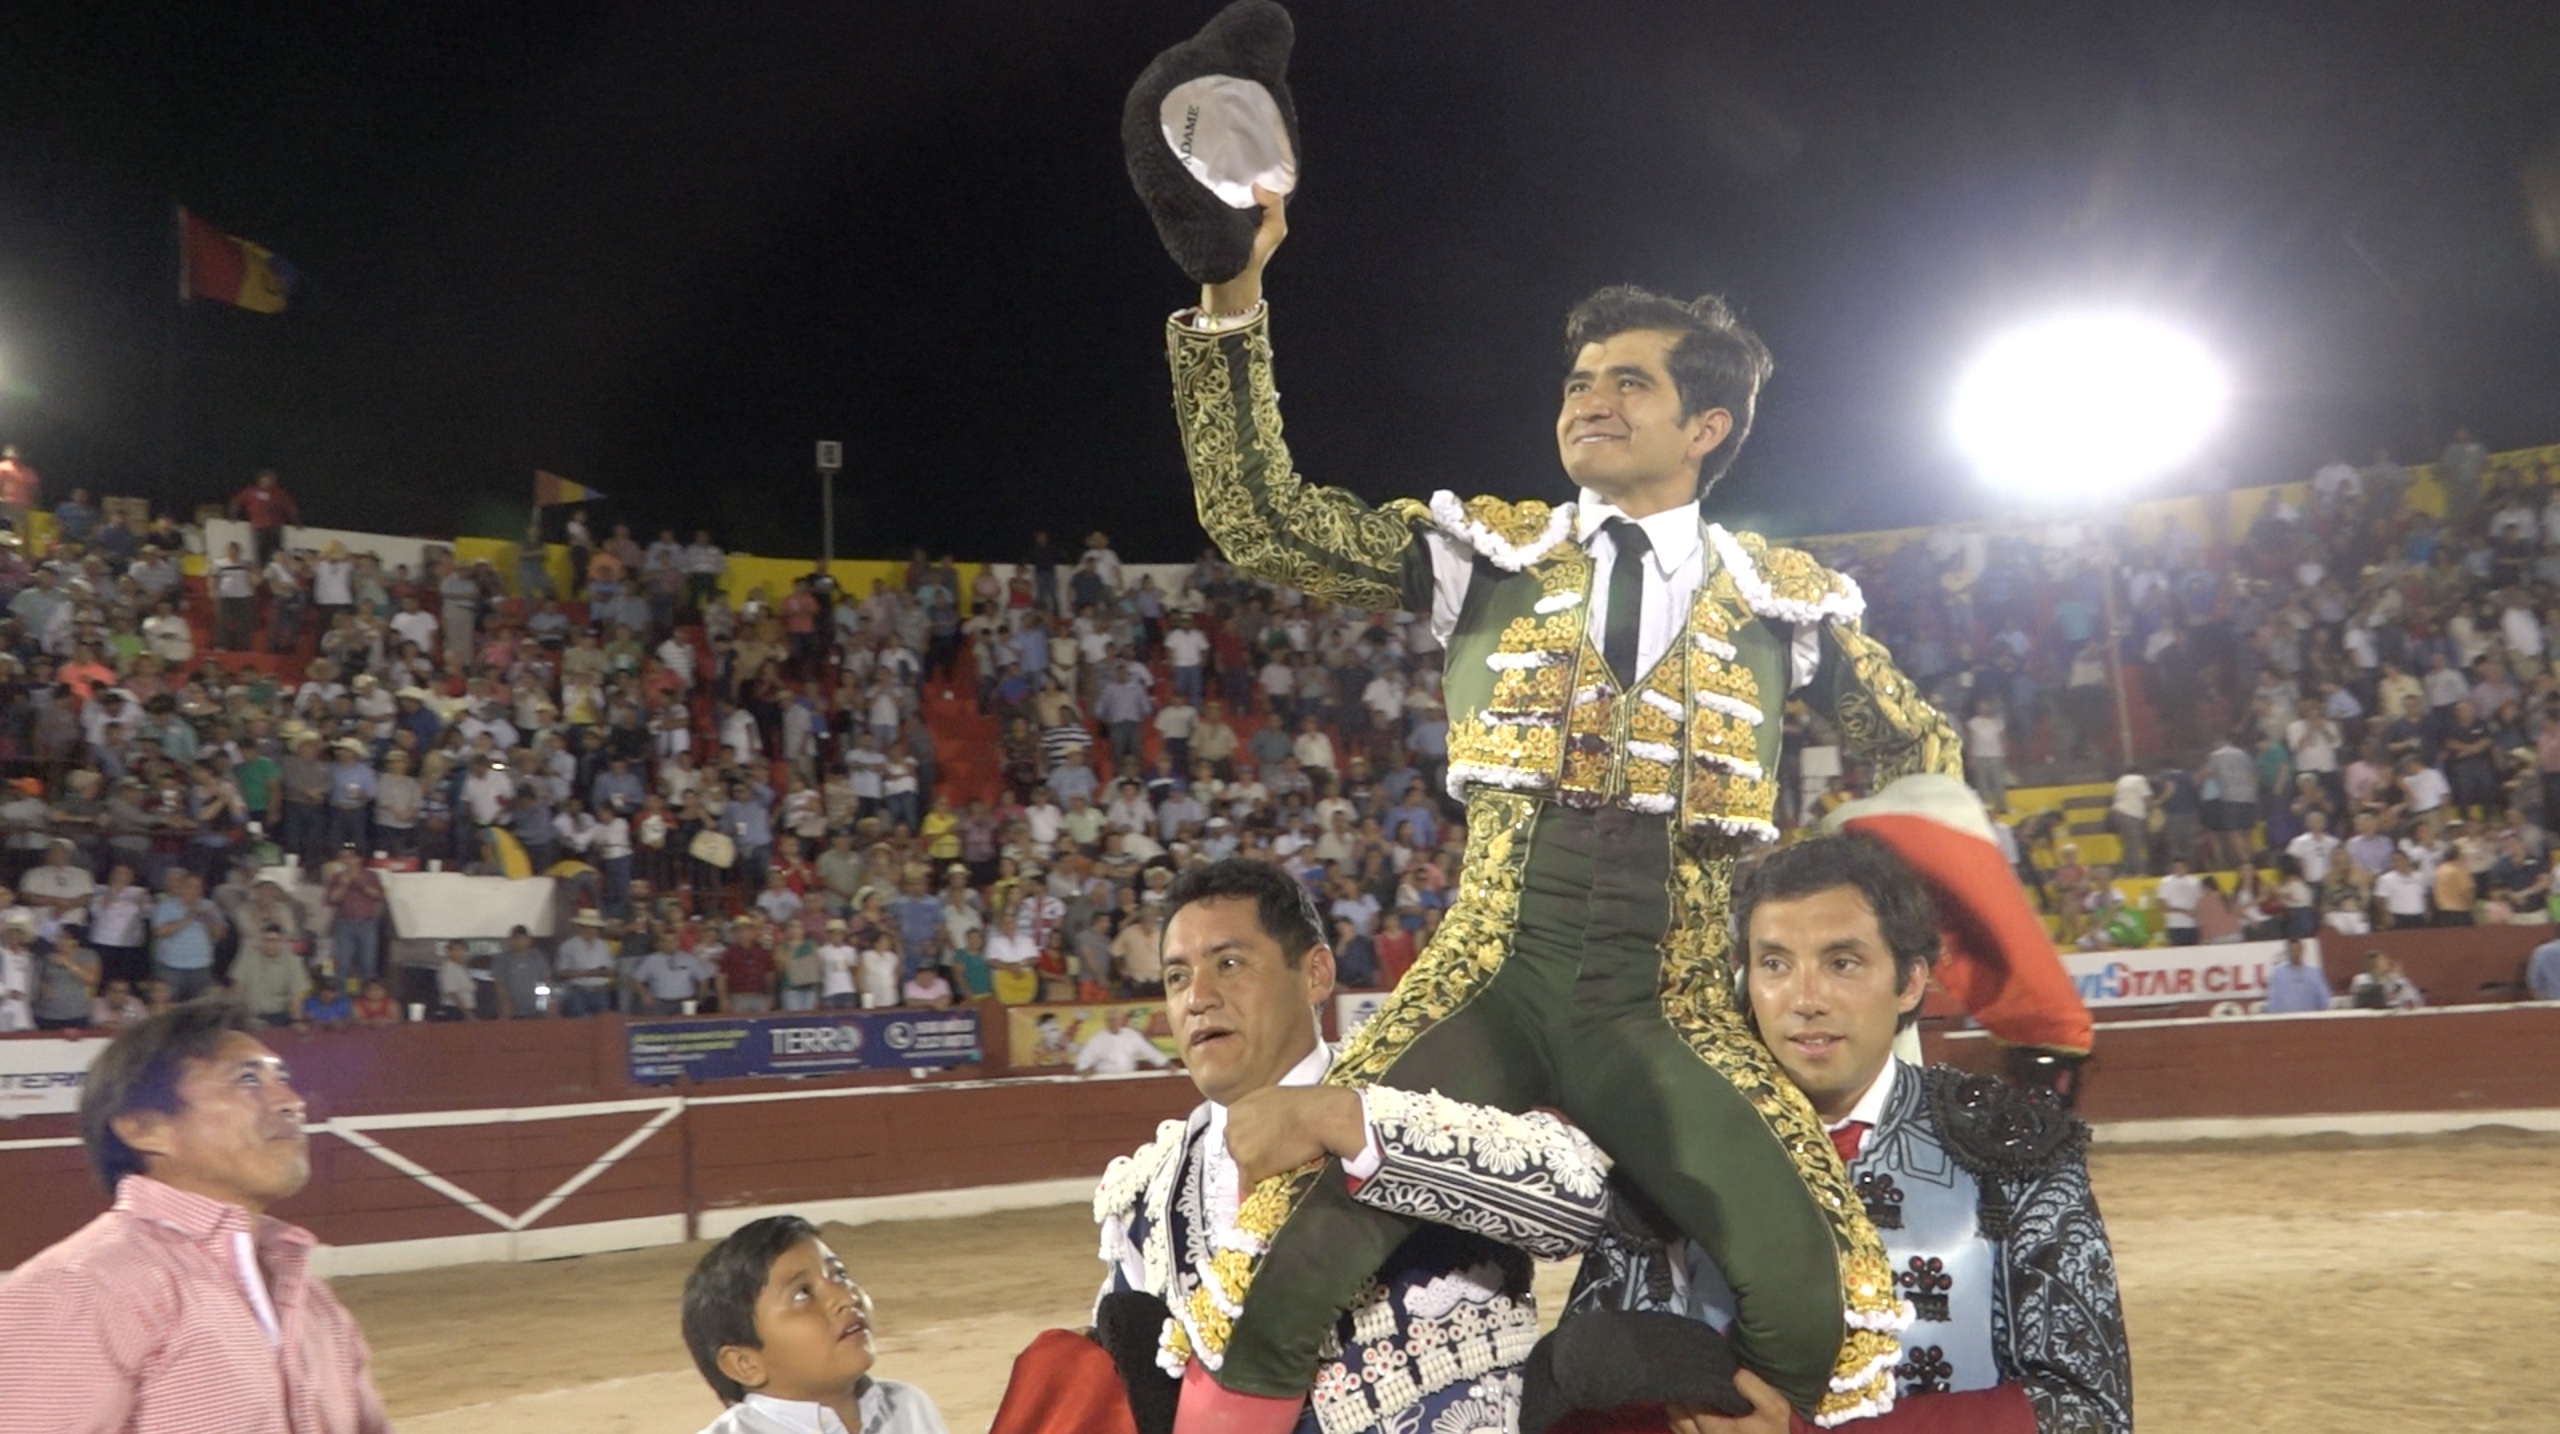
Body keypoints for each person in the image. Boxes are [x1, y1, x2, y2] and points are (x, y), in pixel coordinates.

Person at [1159, 181, 1952, 1425]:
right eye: (1579, 377)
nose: (1588, 395)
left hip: (1671, 998)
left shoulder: (1794, 604)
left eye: (1627, 381)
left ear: (1708, 423)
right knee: (1277, 1261)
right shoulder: (1486, 553)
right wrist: (1230, 293)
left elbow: (1921, 758)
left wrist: (1906, 947)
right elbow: (1258, 519)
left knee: (1819, 1296)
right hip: (1491, 975)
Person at [1242, 833, 2133, 1432]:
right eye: (1774, 964)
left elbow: (2090, 1407)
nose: (1806, 998)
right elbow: (1583, 1388)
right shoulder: (1654, 1155)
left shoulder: (2012, 1151)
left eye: (1844, 962)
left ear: (1911, 983)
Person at [1068, 858, 1576, 1433]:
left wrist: (1344, 1120)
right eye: (1177, 977)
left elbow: (1574, 1204)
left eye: (1229, 964)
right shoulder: (1147, 1198)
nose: (1198, 998)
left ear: (1315, 974)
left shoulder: (1415, 1094)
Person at [0, 1003, 390, 1431]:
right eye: (246, 1080)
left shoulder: (308, 1296)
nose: (292, 1101)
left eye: (282, 1079)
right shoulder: (83, 1288)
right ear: (144, 1128)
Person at [679, 1213, 947, 1434]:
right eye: (802, 1293)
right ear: (745, 1364)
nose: (845, 1297)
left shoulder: (909, 1406)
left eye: (840, 1274)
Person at [1073, 1006, 1172, 1076]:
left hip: (1129, 1077)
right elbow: (1086, 1056)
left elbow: (1149, 1051)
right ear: (1107, 1021)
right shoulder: (1098, 1038)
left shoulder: (1131, 1035)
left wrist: (1165, 1063)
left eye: (1115, 1020)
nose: (1113, 1023)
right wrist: (1083, 1069)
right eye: (1110, 1020)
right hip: (1105, 1078)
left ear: (1120, 1020)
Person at [2263, 939, 2332, 1015]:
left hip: (2311, 1020)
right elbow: (2274, 1000)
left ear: (2302, 950)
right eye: (2291, 950)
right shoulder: (2279, 974)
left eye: (2297, 950)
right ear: (2287, 952)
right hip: (2286, 1021)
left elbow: (2324, 998)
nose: (2295, 953)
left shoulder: (2314, 973)